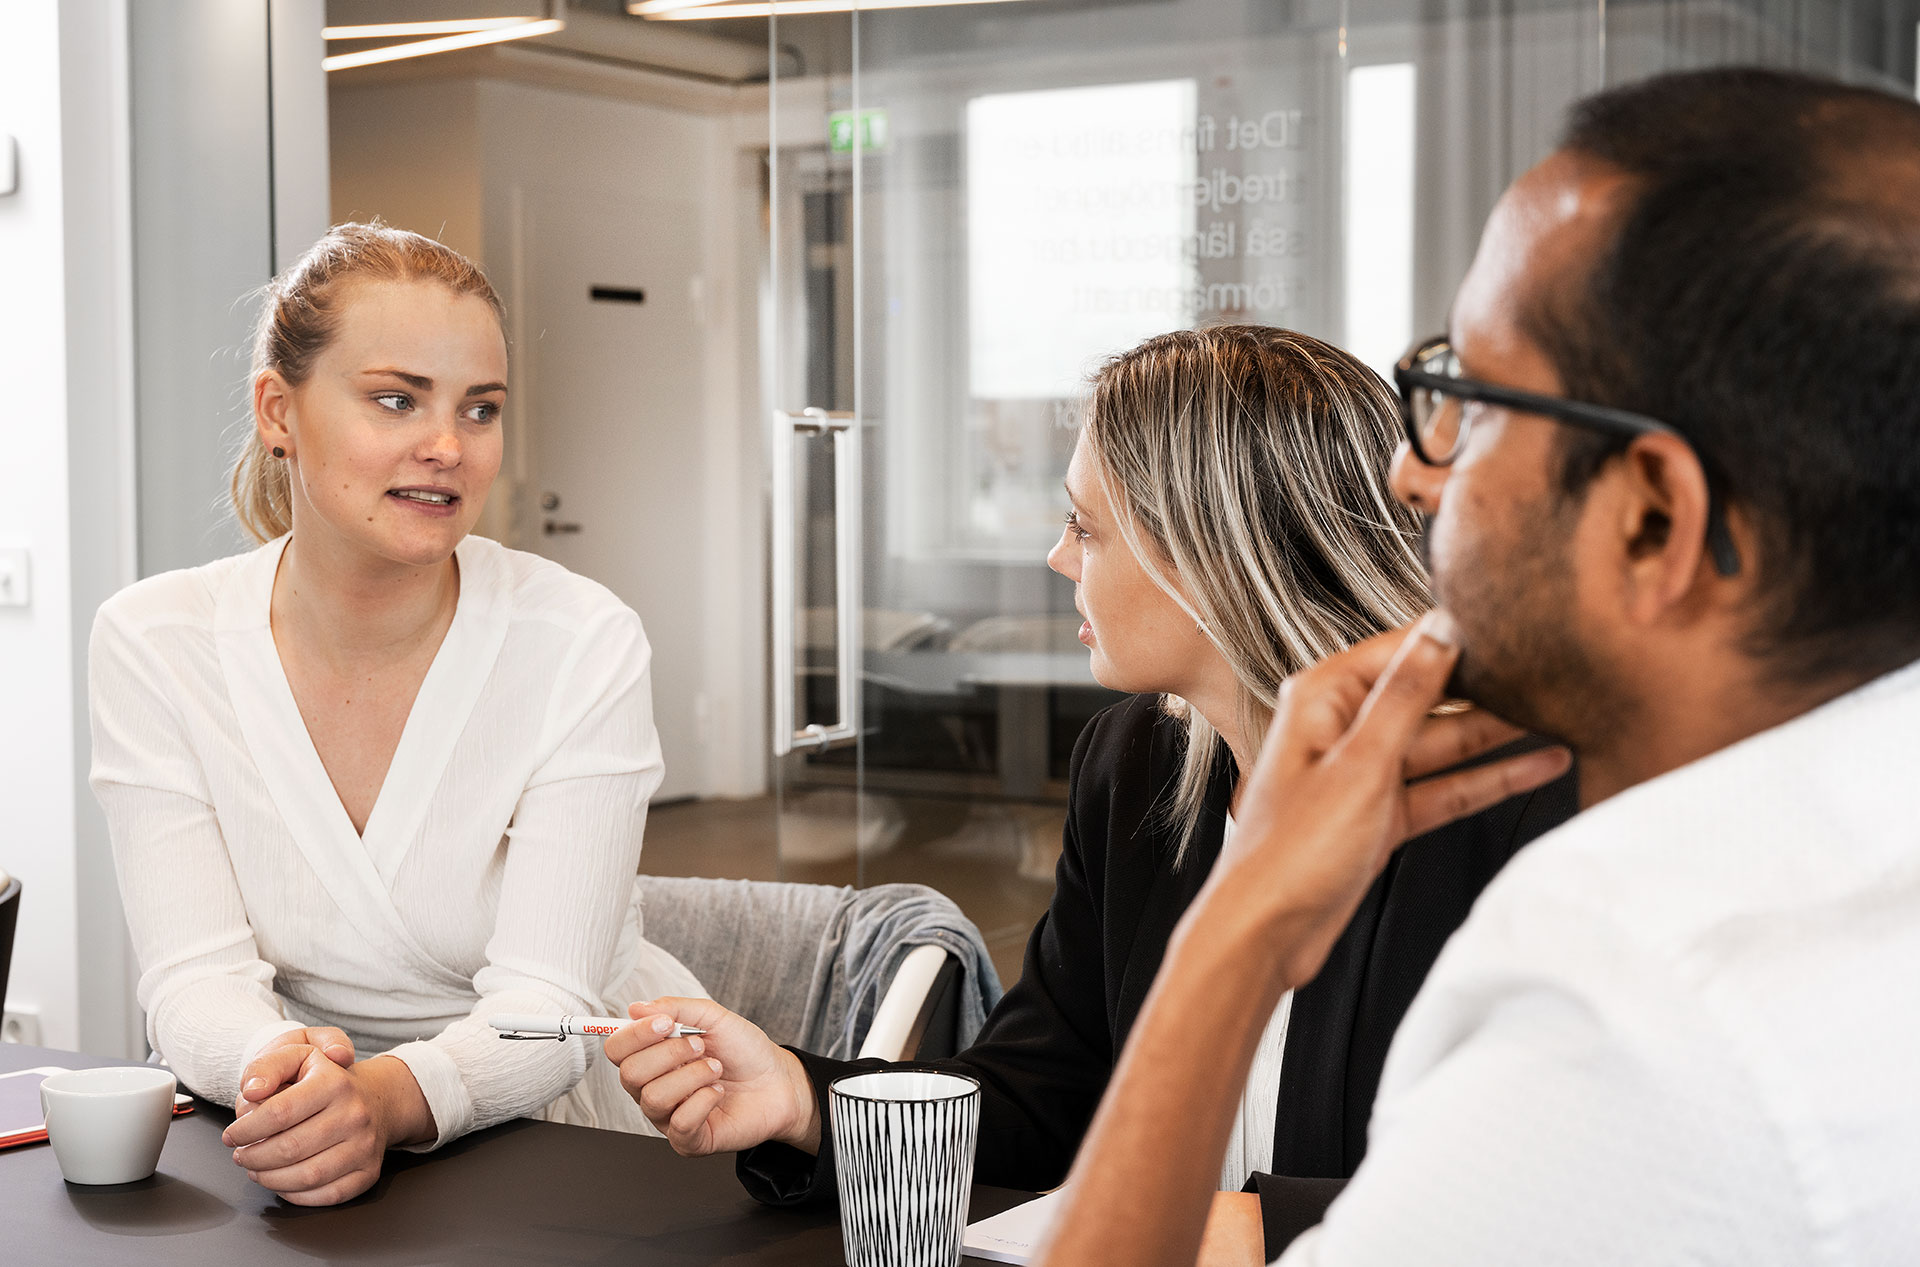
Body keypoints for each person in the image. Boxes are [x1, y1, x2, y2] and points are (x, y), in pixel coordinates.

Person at [1039, 66, 1920, 1266]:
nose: (1410, 471)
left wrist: (1236, 934)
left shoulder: (1621, 1015)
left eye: (1466, 396)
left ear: (1654, 518)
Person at [606, 325, 1578, 1262]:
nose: (1058, 558)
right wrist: (800, 1097)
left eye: (1084, 525)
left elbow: (1570, 1179)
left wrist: (1266, 1233)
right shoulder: (1139, 765)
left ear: (1210, 557)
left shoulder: (1519, 800)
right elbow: (1047, 1095)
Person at [87, 222, 704, 1207]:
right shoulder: (154, 643)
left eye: (481, 408)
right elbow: (190, 981)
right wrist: (289, 1073)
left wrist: (384, 1095)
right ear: (278, 411)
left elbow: (551, 1008)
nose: (448, 447)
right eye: (395, 398)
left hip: (565, 1126)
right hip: (290, 1126)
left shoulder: (581, 640)